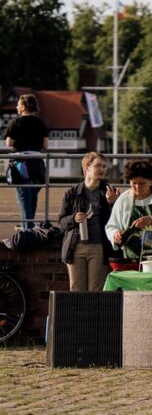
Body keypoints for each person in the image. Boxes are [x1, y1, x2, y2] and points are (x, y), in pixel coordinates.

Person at [57, 152, 119, 291]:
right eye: (98, 166)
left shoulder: (110, 192)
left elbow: (119, 220)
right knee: (76, 289)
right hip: (76, 247)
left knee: (96, 289)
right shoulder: (72, 193)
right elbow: (61, 221)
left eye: (104, 166)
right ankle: (78, 314)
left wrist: (113, 203)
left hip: (100, 246)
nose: (102, 169)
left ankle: (95, 314)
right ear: (86, 167)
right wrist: (73, 218)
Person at [105, 160, 152, 265]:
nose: (137, 188)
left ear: (151, 181)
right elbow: (111, 226)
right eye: (134, 183)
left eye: (142, 183)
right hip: (134, 257)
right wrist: (115, 234)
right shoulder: (124, 199)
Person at [5, 94, 49, 229]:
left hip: (20, 163)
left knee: (24, 196)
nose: (17, 107)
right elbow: (46, 145)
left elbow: (9, 143)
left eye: (18, 104)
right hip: (36, 162)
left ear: (23, 107)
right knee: (32, 194)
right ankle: (28, 224)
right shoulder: (40, 123)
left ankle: (28, 228)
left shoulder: (15, 122)